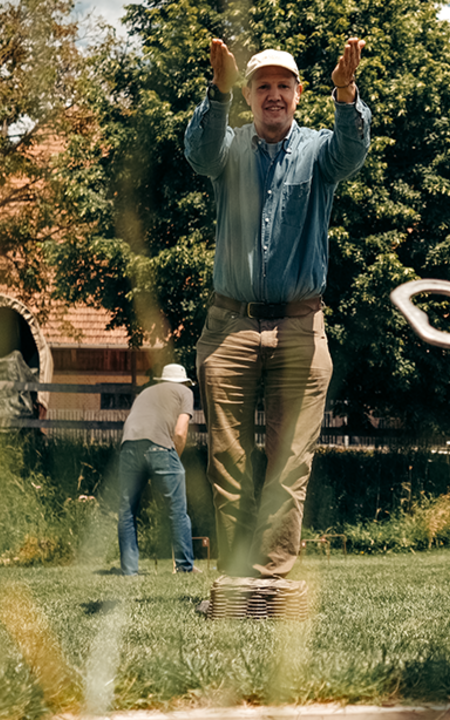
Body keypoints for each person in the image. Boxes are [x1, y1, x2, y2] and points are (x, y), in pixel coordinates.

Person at [184, 38, 372, 578]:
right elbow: (199, 153)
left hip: (300, 328)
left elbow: (353, 150)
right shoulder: (229, 147)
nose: (273, 95)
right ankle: (239, 576)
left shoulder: (319, 151)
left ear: (298, 94)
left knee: (289, 464)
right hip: (229, 327)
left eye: (283, 86)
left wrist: (346, 91)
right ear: (248, 95)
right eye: (262, 85)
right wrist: (216, 93)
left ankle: (267, 581)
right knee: (230, 463)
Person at [118, 364, 196, 576]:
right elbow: (180, 433)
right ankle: (184, 567)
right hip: (159, 446)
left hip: (128, 447)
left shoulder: (145, 392)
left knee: (127, 510)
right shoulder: (185, 392)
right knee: (177, 510)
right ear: (184, 382)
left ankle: (129, 571)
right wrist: (173, 460)